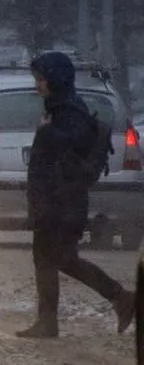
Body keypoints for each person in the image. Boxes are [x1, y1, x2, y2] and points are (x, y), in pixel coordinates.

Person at [17, 51, 135, 339]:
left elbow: (62, 160)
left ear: (56, 79)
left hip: (61, 203)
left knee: (52, 258)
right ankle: (117, 299)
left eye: (42, 79)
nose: (38, 85)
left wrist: (46, 201)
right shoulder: (60, 109)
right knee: (58, 258)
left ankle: (116, 299)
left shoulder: (69, 115)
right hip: (57, 201)